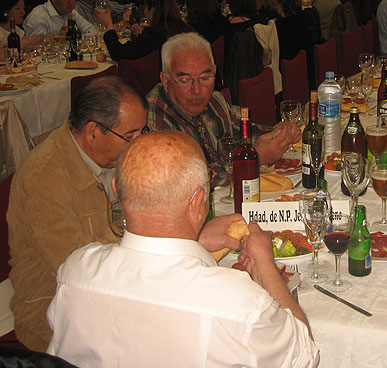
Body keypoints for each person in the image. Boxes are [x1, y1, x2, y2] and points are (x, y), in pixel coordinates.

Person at [46, 130, 318, 367]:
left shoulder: (76, 270)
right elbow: (304, 356)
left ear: (117, 190)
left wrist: (196, 241)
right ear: (199, 202)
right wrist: (266, 266)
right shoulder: (236, 302)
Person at [7, 76, 149, 351]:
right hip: (58, 317)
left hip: (114, 293)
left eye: (142, 132)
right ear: (93, 131)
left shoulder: (109, 155)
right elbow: (80, 272)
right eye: (130, 136)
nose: (138, 144)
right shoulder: (44, 180)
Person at [146, 32, 300, 187]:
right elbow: (186, 184)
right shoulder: (154, 123)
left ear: (214, 72)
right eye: (185, 80)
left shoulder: (214, 100)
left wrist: (279, 134)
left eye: (205, 78)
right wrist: (254, 158)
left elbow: (247, 131)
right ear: (165, 80)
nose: (197, 90)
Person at [95, 0, 191, 61]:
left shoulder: (154, 33)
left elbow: (119, 53)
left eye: (146, 8)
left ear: (152, 10)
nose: (145, 12)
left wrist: (109, 25)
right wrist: (141, 36)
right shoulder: (183, 27)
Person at [23, 0, 96, 37]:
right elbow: (38, 46)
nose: (71, 3)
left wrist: (76, 38)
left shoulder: (71, 13)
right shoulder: (38, 17)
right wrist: (62, 37)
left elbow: (92, 30)